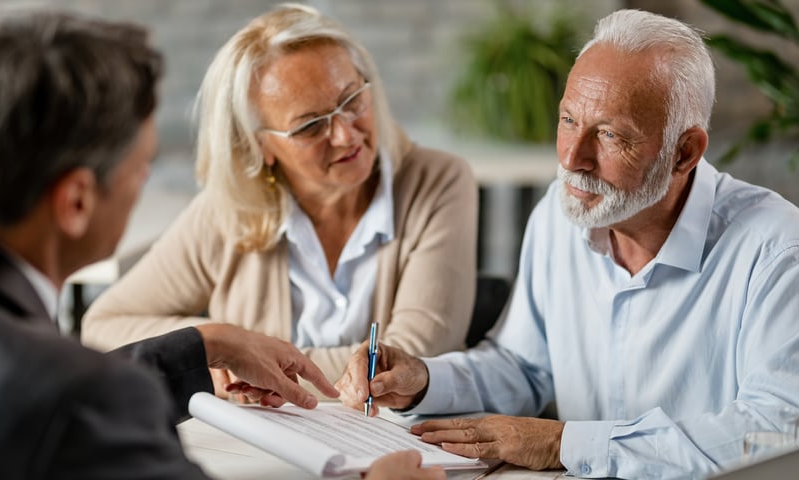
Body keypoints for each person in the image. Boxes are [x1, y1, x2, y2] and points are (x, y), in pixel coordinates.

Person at [0, 9, 444, 479]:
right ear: (77, 202)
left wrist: (208, 344)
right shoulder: (82, 402)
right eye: (142, 168)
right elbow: (76, 390)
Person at [335, 8, 799, 479]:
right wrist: (425, 380)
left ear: (685, 152)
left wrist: (565, 443)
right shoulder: (558, 218)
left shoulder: (778, 250)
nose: (573, 158)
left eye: (610, 135)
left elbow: (776, 431)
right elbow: (524, 367)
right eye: (569, 120)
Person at [80, 2, 477, 398]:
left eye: (352, 99)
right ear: (260, 146)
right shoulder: (228, 210)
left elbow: (411, 362)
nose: (346, 135)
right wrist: (216, 345)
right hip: (259, 450)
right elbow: (103, 326)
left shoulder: (438, 181)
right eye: (310, 125)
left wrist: (254, 363)